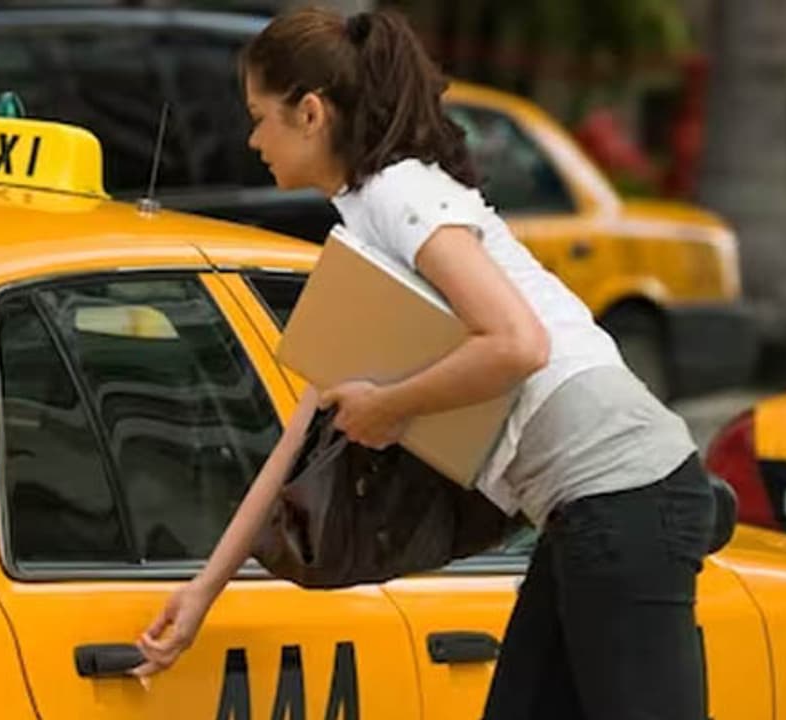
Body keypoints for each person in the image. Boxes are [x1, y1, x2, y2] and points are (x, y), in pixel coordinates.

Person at [134, 8, 716, 720]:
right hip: (588, 509)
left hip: (625, 496)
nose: (252, 139)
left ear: (310, 113)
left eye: (260, 117)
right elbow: (303, 435)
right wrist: (202, 592)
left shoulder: (398, 194)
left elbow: (516, 343)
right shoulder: (366, 219)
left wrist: (392, 404)